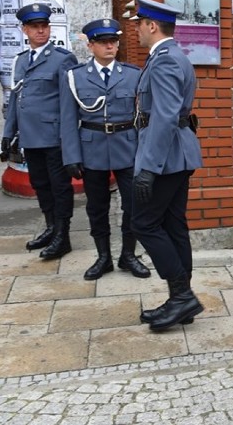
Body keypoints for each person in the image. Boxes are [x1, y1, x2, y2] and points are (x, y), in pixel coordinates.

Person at [131, 0, 204, 331]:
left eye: (138, 24)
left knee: (144, 223)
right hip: (176, 154)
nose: (135, 30)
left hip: (166, 157)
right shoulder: (172, 56)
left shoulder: (164, 61)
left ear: (151, 25)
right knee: (173, 225)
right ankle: (182, 299)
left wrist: (148, 167)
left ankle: (181, 297)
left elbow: (162, 117)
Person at [59, 18, 151, 280]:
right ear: (91, 45)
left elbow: (143, 117)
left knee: (133, 204)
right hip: (92, 149)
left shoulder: (133, 74)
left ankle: (128, 255)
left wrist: (145, 152)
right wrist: (71, 156)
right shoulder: (75, 77)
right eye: (103, 42)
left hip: (127, 147)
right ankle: (103, 258)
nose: (110, 46)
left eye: (113, 41)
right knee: (96, 207)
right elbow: (68, 119)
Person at [1, 3, 78, 259]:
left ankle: (63, 236)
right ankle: (51, 227)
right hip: (30, 137)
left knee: (59, 187)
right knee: (40, 185)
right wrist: (7, 134)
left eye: (44, 26)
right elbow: (16, 98)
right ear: (25, 30)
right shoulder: (21, 60)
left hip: (54, 137)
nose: (41, 31)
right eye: (35, 27)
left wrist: (69, 140)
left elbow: (69, 104)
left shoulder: (62, 58)